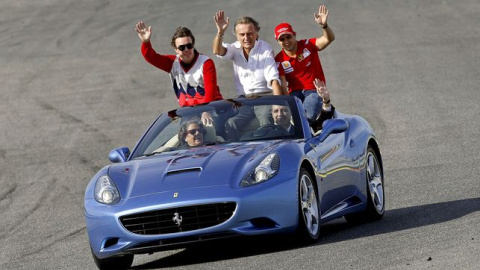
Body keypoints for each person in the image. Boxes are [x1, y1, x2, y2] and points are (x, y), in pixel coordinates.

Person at [213, 12, 284, 139]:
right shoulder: (234, 48)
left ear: (257, 33)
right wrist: (220, 33)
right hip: (243, 101)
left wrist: (277, 104)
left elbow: (274, 79)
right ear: (237, 36)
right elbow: (217, 51)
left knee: (266, 123)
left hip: (264, 98)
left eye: (249, 33)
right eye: (242, 34)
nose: (246, 38)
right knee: (231, 123)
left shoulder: (265, 49)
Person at [135, 21, 223, 108]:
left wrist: (205, 111)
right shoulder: (173, 63)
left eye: (189, 46)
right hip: (189, 112)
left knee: (195, 122)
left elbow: (210, 94)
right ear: (176, 50)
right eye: (181, 47)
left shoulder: (206, 63)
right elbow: (151, 57)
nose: (186, 50)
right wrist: (146, 42)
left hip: (213, 108)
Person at [274, 4, 335, 124]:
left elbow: (329, 39)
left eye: (288, 37)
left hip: (313, 91)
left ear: (294, 35)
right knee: (289, 121)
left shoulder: (308, 45)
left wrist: (324, 26)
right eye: (282, 39)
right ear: (278, 41)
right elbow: (283, 85)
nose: (286, 41)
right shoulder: (279, 59)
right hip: (294, 94)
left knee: (305, 117)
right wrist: (288, 103)